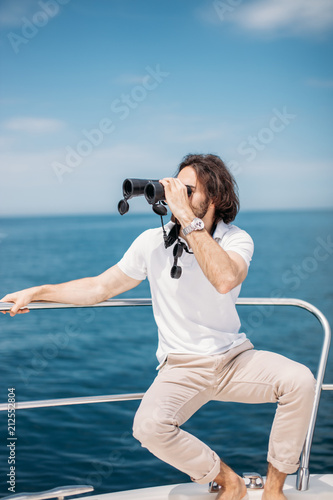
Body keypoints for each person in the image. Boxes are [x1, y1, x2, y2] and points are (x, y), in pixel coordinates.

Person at [1, 154, 315, 500]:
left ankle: (274, 490)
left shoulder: (236, 239)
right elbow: (99, 287)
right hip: (181, 366)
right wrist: (38, 291)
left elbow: (224, 279)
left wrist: (186, 218)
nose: (176, 195)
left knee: (300, 381)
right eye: (175, 187)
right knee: (148, 427)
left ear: (216, 199)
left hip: (233, 360)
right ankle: (227, 480)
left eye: (188, 190)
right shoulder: (152, 242)